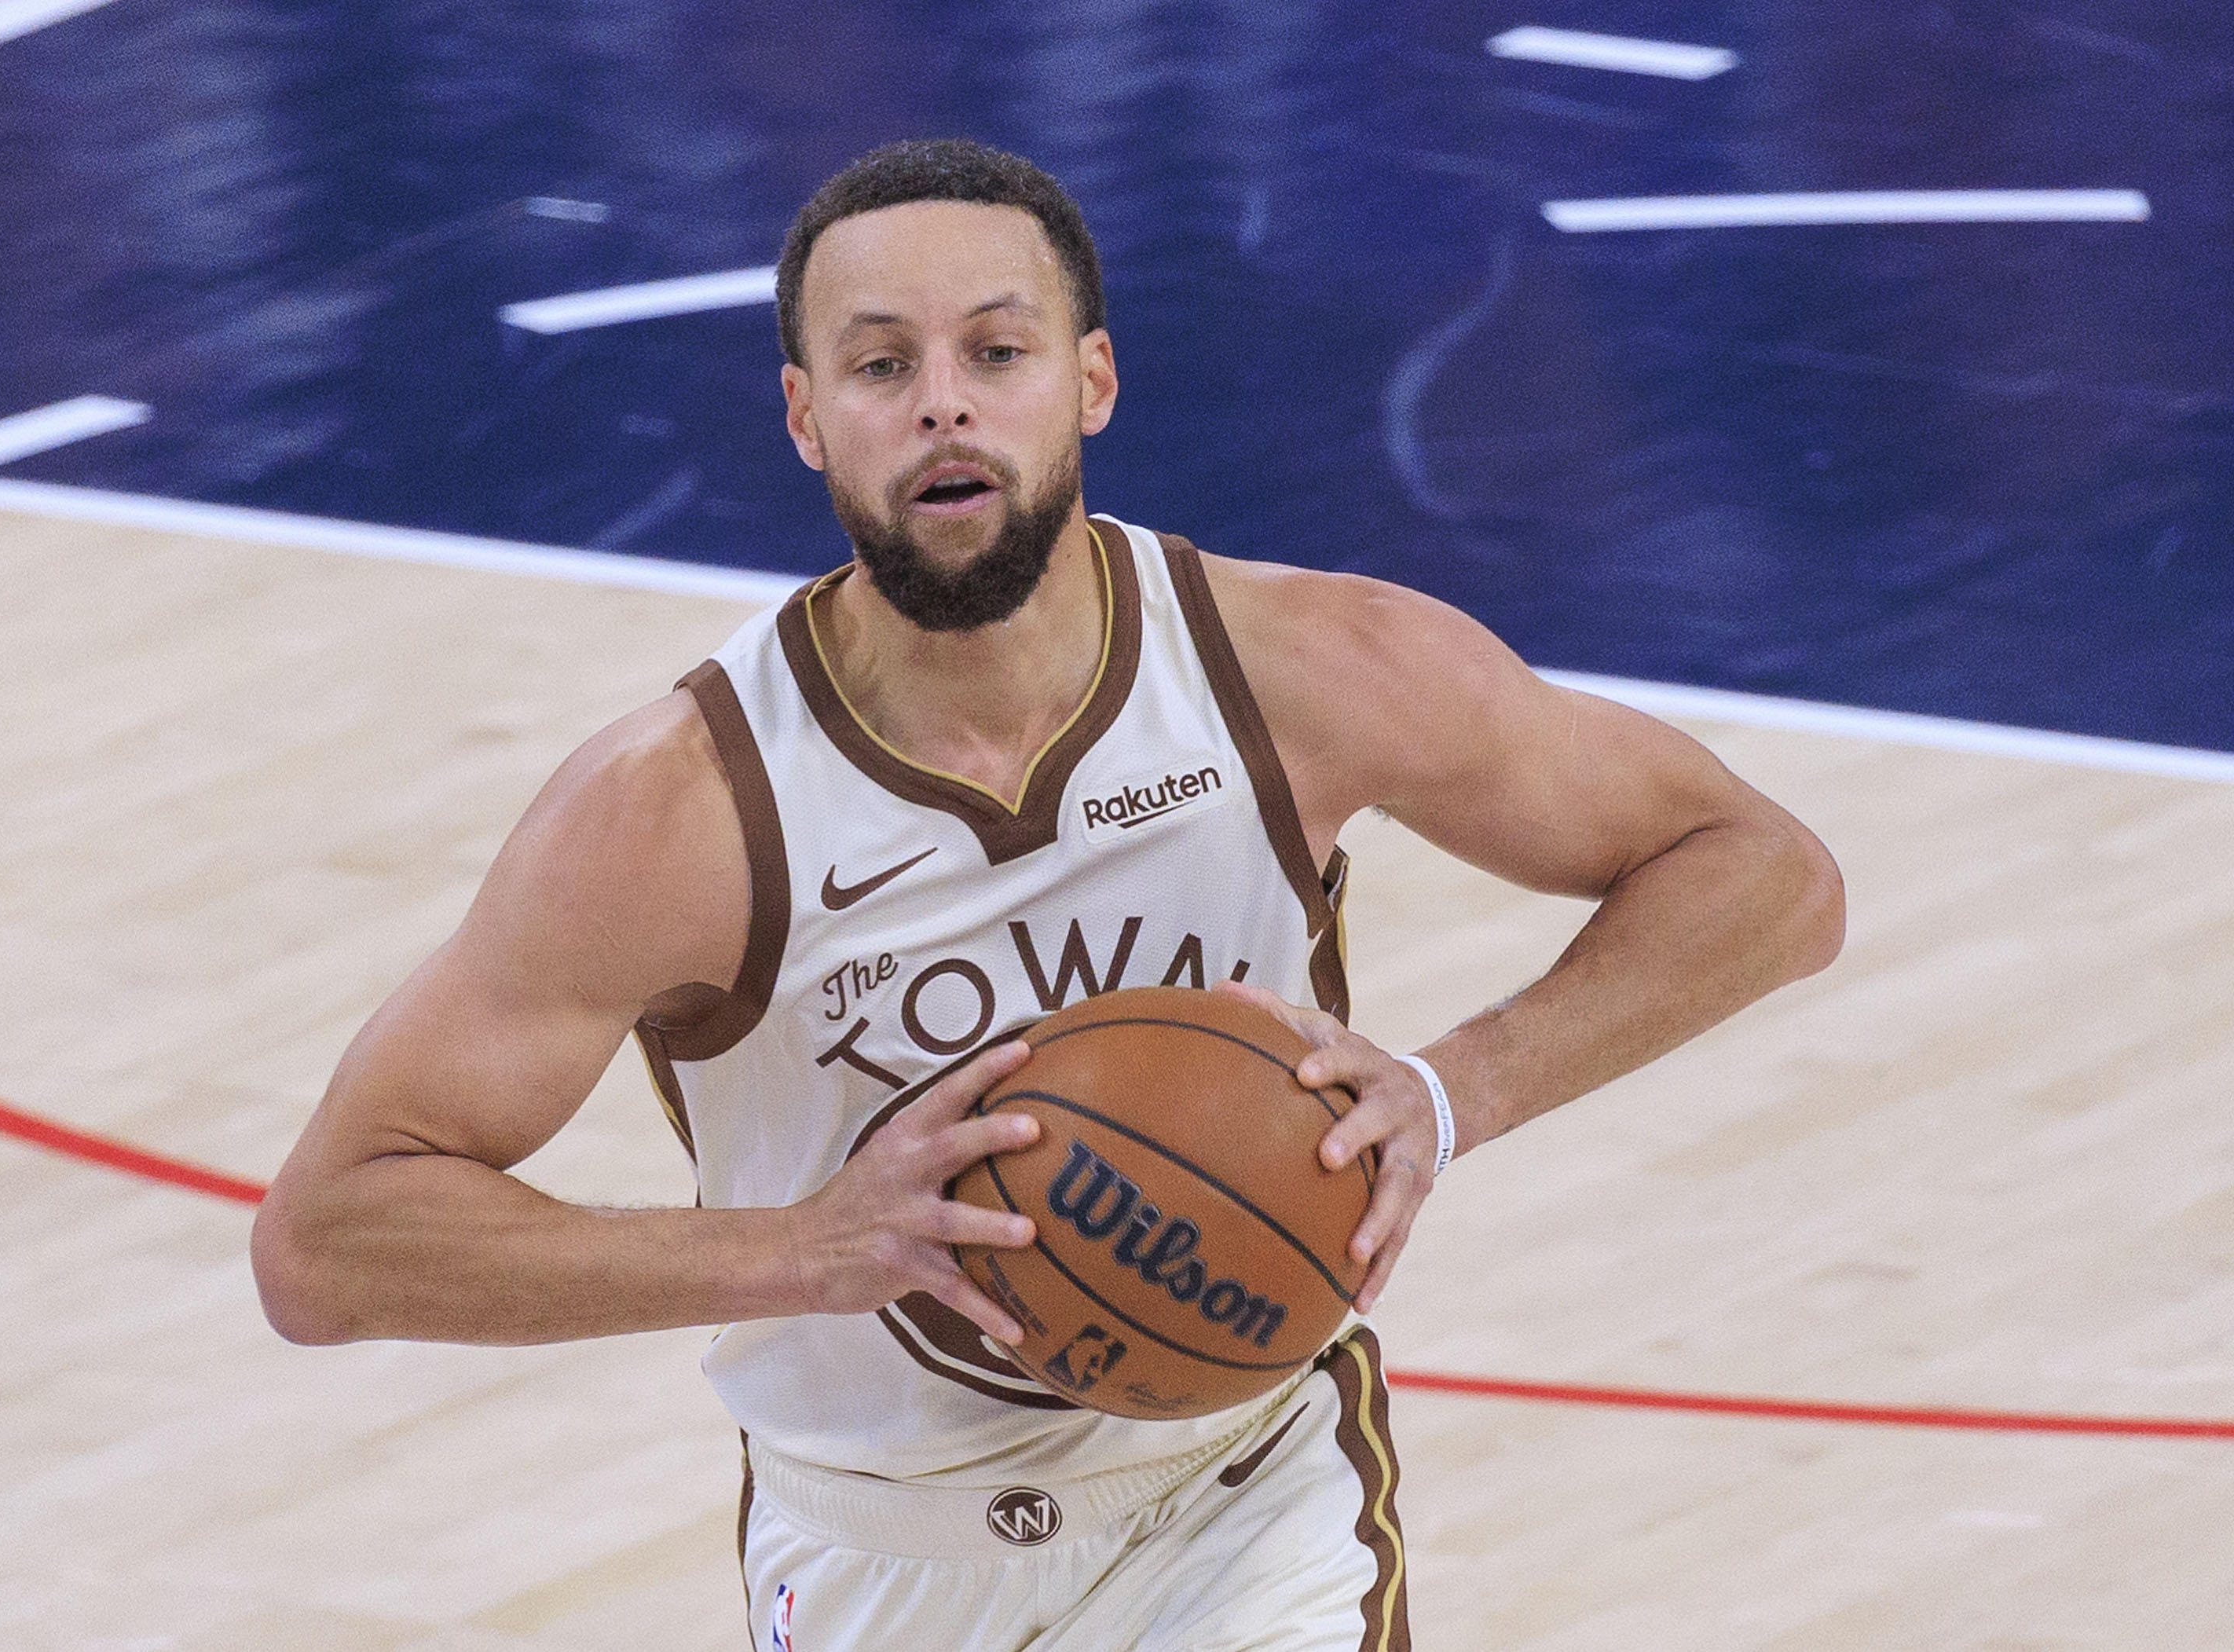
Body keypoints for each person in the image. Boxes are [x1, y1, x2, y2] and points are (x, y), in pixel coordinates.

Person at [251, 138, 1844, 1650]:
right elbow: (324, 1245)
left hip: (1248, 1495)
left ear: (1092, 380)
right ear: (806, 418)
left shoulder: (1304, 669)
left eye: (996, 351)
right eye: (882, 365)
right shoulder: (674, 813)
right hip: (883, 1549)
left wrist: (1451, 1089)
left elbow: (1769, 876)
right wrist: (804, 1249)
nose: (943, 402)